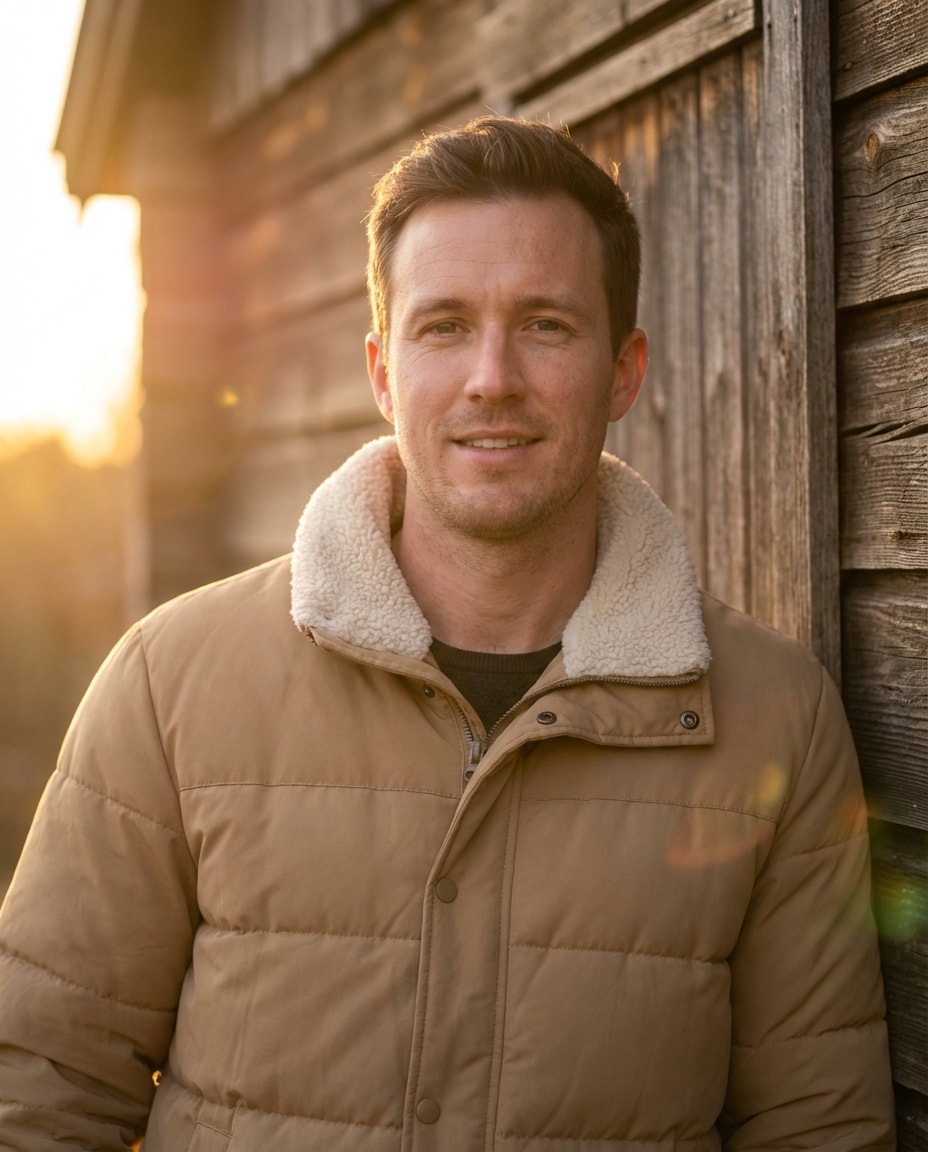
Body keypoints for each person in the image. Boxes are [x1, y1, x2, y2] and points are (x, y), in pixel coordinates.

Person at [0, 116, 894, 1150]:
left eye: (546, 325)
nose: (491, 377)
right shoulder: (170, 683)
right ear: (382, 371)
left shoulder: (773, 720)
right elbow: (39, 1093)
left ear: (622, 370)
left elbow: (819, 1128)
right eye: (444, 326)